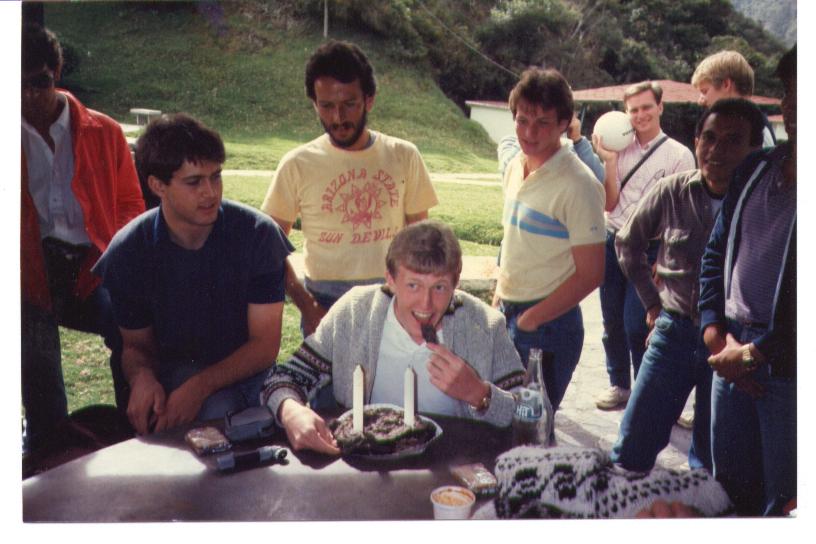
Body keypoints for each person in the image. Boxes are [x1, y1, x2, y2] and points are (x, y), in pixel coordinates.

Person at [93, 114, 292, 435]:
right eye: (194, 181)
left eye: (216, 177)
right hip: (173, 374)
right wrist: (142, 377)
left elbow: (265, 346)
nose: (210, 192)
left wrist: (199, 387)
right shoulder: (128, 251)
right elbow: (135, 346)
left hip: (250, 372)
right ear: (157, 185)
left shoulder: (258, 234)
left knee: (261, 410)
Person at [264, 220, 526, 454]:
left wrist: (480, 394)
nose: (427, 303)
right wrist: (291, 411)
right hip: (367, 470)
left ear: (456, 282)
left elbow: (533, 416)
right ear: (390, 279)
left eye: (439, 287)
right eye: (413, 285)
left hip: (450, 473)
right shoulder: (356, 312)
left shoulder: (485, 326)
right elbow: (284, 377)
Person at [611, 98, 765, 473]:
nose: (716, 150)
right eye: (708, 138)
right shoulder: (671, 191)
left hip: (732, 344)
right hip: (673, 333)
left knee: (716, 463)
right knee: (631, 450)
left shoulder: (762, 203)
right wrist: (651, 304)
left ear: (754, 148)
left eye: (732, 140)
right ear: (696, 140)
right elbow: (627, 243)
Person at [21, 24, 145, 452]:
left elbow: (131, 205)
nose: (28, 96)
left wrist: (110, 260)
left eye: (39, 82)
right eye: (14, 85)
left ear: (56, 72)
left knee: (131, 325)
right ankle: (48, 448)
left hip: (92, 263)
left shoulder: (103, 131)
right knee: (33, 348)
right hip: (29, 268)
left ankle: (137, 431)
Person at [261, 40, 438, 338]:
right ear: (314, 103)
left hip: (391, 299)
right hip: (324, 302)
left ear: (369, 100)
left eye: (349, 104)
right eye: (327, 106)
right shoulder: (297, 164)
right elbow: (268, 249)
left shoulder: (404, 155)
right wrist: (308, 306)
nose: (338, 118)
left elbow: (422, 244)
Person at [698, 46, 796, 516]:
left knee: (785, 504)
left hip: (789, 370)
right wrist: (715, 330)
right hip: (730, 349)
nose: (797, 106)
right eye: (792, 93)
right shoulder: (758, 169)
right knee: (728, 495)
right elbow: (716, 252)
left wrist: (757, 355)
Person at [493, 67, 605, 412]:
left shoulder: (579, 184)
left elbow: (591, 274)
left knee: (531, 429)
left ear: (564, 124)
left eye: (542, 122)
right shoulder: (516, 165)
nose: (529, 131)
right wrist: (499, 294)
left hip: (548, 325)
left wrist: (532, 319)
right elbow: (514, 240)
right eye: (522, 120)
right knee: (503, 418)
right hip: (510, 310)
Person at [593, 81, 695, 410]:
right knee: (611, 322)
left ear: (660, 107)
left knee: (637, 325)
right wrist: (607, 161)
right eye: (633, 110)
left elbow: (684, 213)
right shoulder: (618, 149)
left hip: (650, 249)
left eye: (647, 107)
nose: (640, 115)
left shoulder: (680, 155)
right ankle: (619, 384)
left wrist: (666, 256)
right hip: (614, 241)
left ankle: (647, 392)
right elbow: (609, 203)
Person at [691, 50, 776, 147]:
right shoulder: (752, 129)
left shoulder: (757, 134)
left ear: (726, 84)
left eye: (705, 91)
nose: (700, 101)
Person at [497, 112, 605, 181]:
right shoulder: (509, 143)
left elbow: (599, 180)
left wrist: (578, 140)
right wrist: (527, 134)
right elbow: (507, 169)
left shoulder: (571, 149)